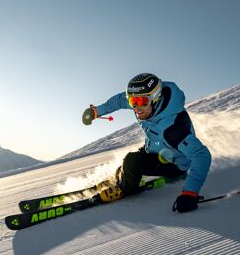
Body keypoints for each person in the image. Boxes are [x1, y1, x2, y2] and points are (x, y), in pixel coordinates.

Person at [82, 73, 212, 213]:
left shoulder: (173, 130)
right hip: (157, 148)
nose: (137, 108)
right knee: (126, 165)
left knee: (132, 161)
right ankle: (123, 177)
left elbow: (201, 155)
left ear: (155, 98)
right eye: (133, 102)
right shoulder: (146, 104)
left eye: (141, 101)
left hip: (175, 164)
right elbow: (120, 100)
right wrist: (96, 111)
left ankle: (125, 189)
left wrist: (189, 193)